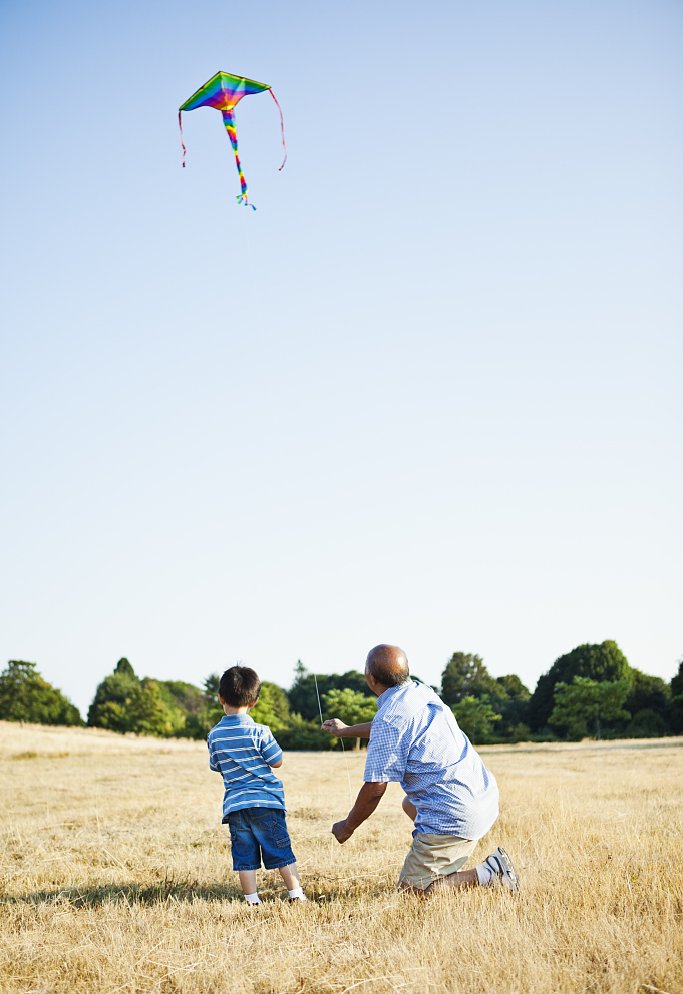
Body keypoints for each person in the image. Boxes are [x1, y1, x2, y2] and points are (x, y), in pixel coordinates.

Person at [322, 644, 519, 894]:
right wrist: (345, 731)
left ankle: (489, 873)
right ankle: (438, 852)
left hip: (456, 814)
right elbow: (390, 726)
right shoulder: (420, 691)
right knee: (408, 804)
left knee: (411, 894)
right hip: (482, 795)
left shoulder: (390, 719)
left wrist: (347, 826)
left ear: (370, 678)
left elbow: (375, 788)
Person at [207, 665, 307, 905]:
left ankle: (252, 900)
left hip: (236, 806)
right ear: (254, 701)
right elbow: (277, 761)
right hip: (265, 802)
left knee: (245, 857)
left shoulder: (215, 735)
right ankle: (295, 894)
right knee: (281, 850)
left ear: (220, 697)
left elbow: (215, 765)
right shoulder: (260, 731)